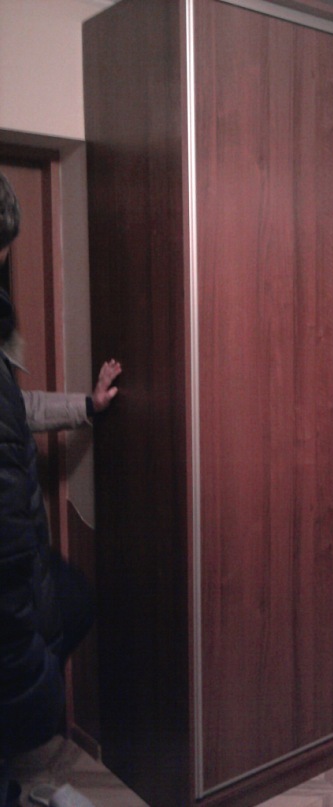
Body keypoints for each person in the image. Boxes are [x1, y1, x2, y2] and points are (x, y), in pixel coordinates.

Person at [0, 171, 120, 807]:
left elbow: (17, 409)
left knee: (73, 601)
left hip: (21, 577)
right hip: (11, 578)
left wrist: (87, 405)